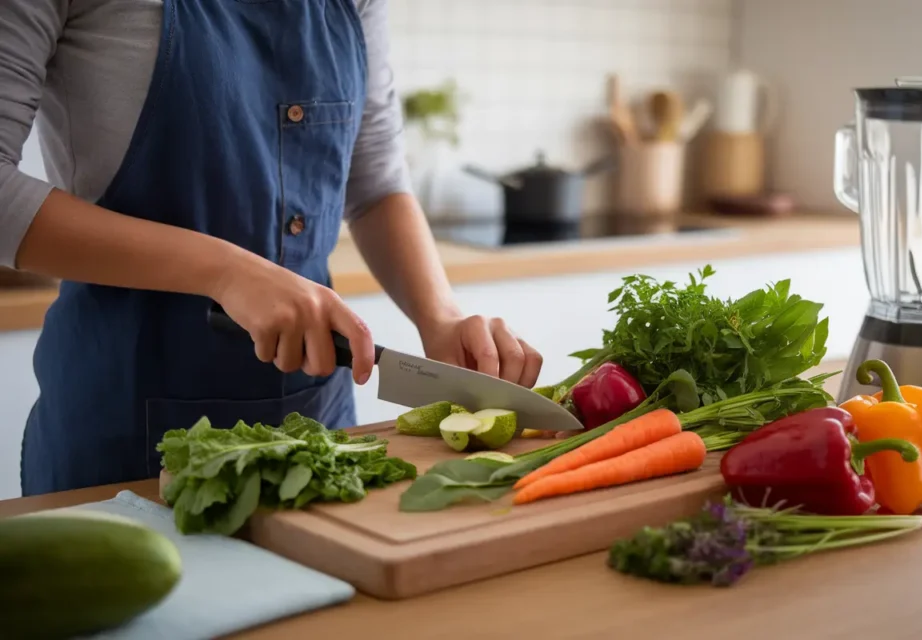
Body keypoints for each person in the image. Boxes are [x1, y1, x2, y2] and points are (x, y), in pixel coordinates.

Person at [0, 0, 543, 496]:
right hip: (122, 439)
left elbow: (376, 182)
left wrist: (441, 318)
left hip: (318, 433)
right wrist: (225, 271)